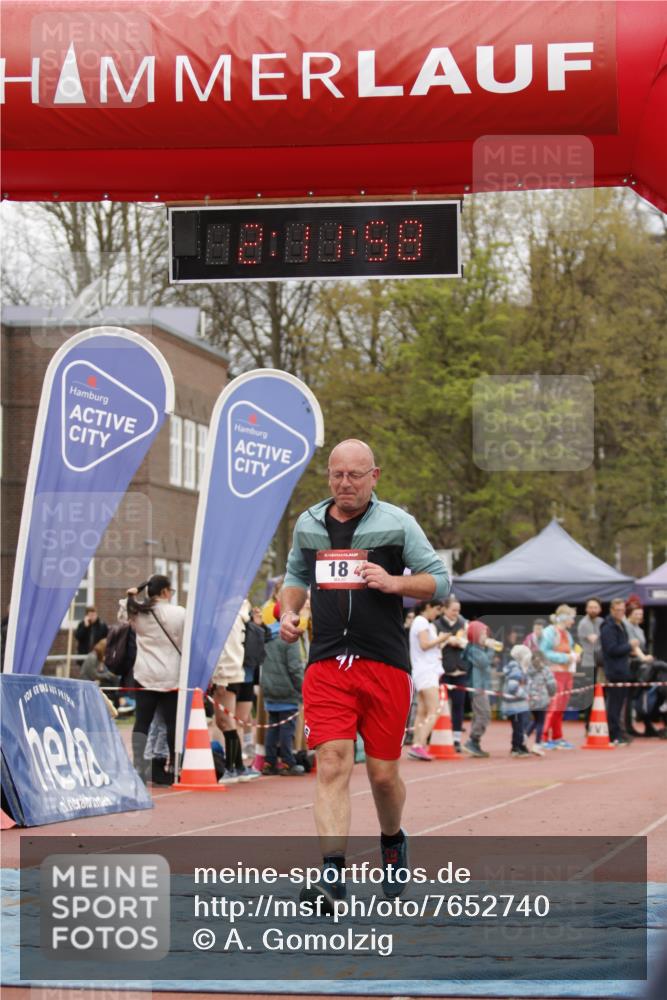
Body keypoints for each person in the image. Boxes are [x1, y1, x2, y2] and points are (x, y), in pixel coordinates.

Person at [279, 438, 448, 908]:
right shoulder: (308, 524)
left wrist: (396, 582)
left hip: (384, 663)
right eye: (337, 475)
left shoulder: (398, 522)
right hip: (328, 662)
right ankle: (332, 876)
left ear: (374, 476)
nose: (345, 484)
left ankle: (392, 839)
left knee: (382, 776)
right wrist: (288, 613)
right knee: (332, 761)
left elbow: (440, 579)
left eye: (355, 475)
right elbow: (294, 578)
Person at [119, 575, 185, 784]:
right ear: (165, 591)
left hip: (145, 675)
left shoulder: (138, 613)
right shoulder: (179, 613)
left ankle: (139, 766)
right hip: (171, 675)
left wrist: (132, 595)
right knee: (172, 723)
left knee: (142, 722)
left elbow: (122, 613)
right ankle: (172, 767)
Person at [212, 599, 261, 783]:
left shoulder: (228, 618)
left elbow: (228, 651)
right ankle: (237, 766)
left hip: (227, 676)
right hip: (232, 674)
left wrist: (221, 679)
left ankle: (232, 768)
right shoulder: (238, 616)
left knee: (226, 722)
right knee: (226, 722)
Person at [260, 632, 306, 775]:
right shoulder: (291, 638)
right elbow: (294, 667)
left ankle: (269, 762)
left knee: (272, 728)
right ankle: (287, 762)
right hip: (287, 690)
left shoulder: (268, 635)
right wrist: (303, 688)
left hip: (270, 688)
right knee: (287, 729)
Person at [407, 599, 447, 760]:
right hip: (426, 671)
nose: (437, 614)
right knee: (434, 710)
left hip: (423, 670)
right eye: (437, 609)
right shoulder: (422, 622)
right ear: (428, 607)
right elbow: (424, 645)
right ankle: (418, 745)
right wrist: (441, 639)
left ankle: (417, 744)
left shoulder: (422, 622)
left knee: (422, 711)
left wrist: (440, 642)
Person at [600, 598, 641, 745]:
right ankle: (613, 735)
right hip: (614, 671)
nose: (620, 613)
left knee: (619, 705)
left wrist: (629, 651)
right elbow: (611, 649)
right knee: (614, 704)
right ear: (611, 610)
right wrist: (629, 646)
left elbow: (620, 648)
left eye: (622, 610)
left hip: (623, 669)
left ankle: (618, 732)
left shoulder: (621, 625)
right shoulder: (608, 627)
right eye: (617, 610)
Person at [540, 604, 580, 749]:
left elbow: (570, 651)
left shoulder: (567, 634)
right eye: (571, 618)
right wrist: (565, 658)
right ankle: (543, 737)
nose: (573, 621)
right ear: (563, 618)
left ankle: (557, 737)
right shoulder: (549, 632)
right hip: (553, 673)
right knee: (553, 706)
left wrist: (574, 657)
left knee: (561, 707)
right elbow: (543, 652)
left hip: (566, 674)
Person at [434, 596, 468, 751]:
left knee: (458, 705)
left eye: (458, 610)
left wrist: (458, 641)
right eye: (453, 610)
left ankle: (456, 739)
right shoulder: (436, 625)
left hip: (460, 670)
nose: (456, 613)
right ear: (445, 609)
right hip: (443, 670)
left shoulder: (463, 623)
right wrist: (447, 641)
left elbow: (467, 642)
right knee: (439, 705)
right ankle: (435, 737)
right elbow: (432, 644)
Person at [461, 620, 495, 758]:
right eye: (482, 634)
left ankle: (475, 742)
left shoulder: (477, 649)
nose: (485, 637)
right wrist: (491, 648)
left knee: (480, 714)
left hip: (481, 686)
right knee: (484, 714)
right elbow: (484, 662)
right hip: (477, 687)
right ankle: (473, 741)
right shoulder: (474, 649)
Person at [525, 647, 557, 755]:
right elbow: (551, 684)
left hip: (530, 699)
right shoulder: (545, 670)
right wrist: (552, 694)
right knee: (540, 722)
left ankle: (524, 738)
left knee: (535, 720)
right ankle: (537, 745)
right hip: (542, 699)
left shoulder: (528, 669)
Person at [502, 645, 532, 757]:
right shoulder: (516, 669)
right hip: (514, 705)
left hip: (520, 705)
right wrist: (525, 695)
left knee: (523, 725)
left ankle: (521, 745)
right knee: (518, 727)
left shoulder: (521, 668)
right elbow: (512, 687)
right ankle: (516, 747)